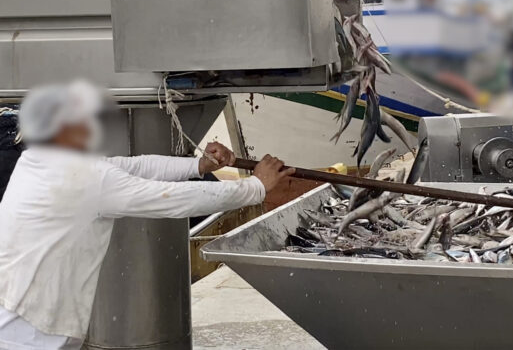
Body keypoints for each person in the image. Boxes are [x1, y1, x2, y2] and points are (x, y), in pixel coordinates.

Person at [0, 80, 295, 349]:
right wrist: (255, 187)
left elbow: (136, 166)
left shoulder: (39, 161)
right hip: (29, 335)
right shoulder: (85, 178)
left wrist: (199, 167)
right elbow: (175, 201)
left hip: (22, 318)